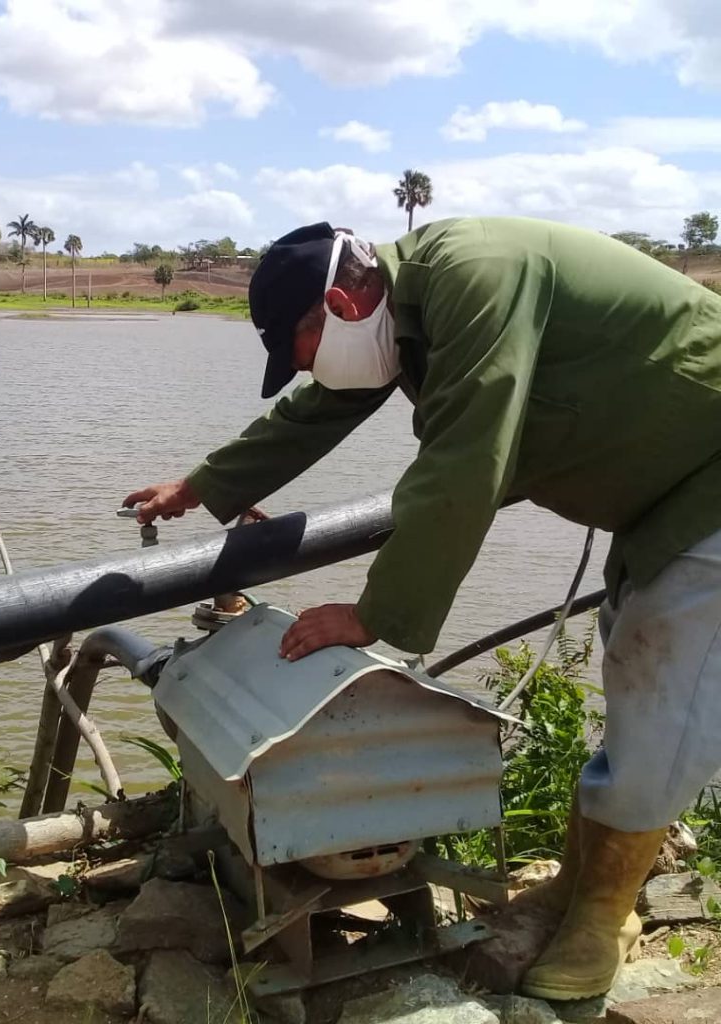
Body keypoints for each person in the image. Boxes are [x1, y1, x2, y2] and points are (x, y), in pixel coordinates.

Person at [123, 217, 721, 999]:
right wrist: (204, 485)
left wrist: (377, 613)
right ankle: (584, 889)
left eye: (298, 351)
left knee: (666, 683)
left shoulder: (474, 276)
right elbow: (318, 409)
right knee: (636, 671)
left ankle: (603, 918)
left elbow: (467, 454)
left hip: (708, 477)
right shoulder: (400, 314)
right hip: (664, 495)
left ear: (337, 303)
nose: (305, 370)